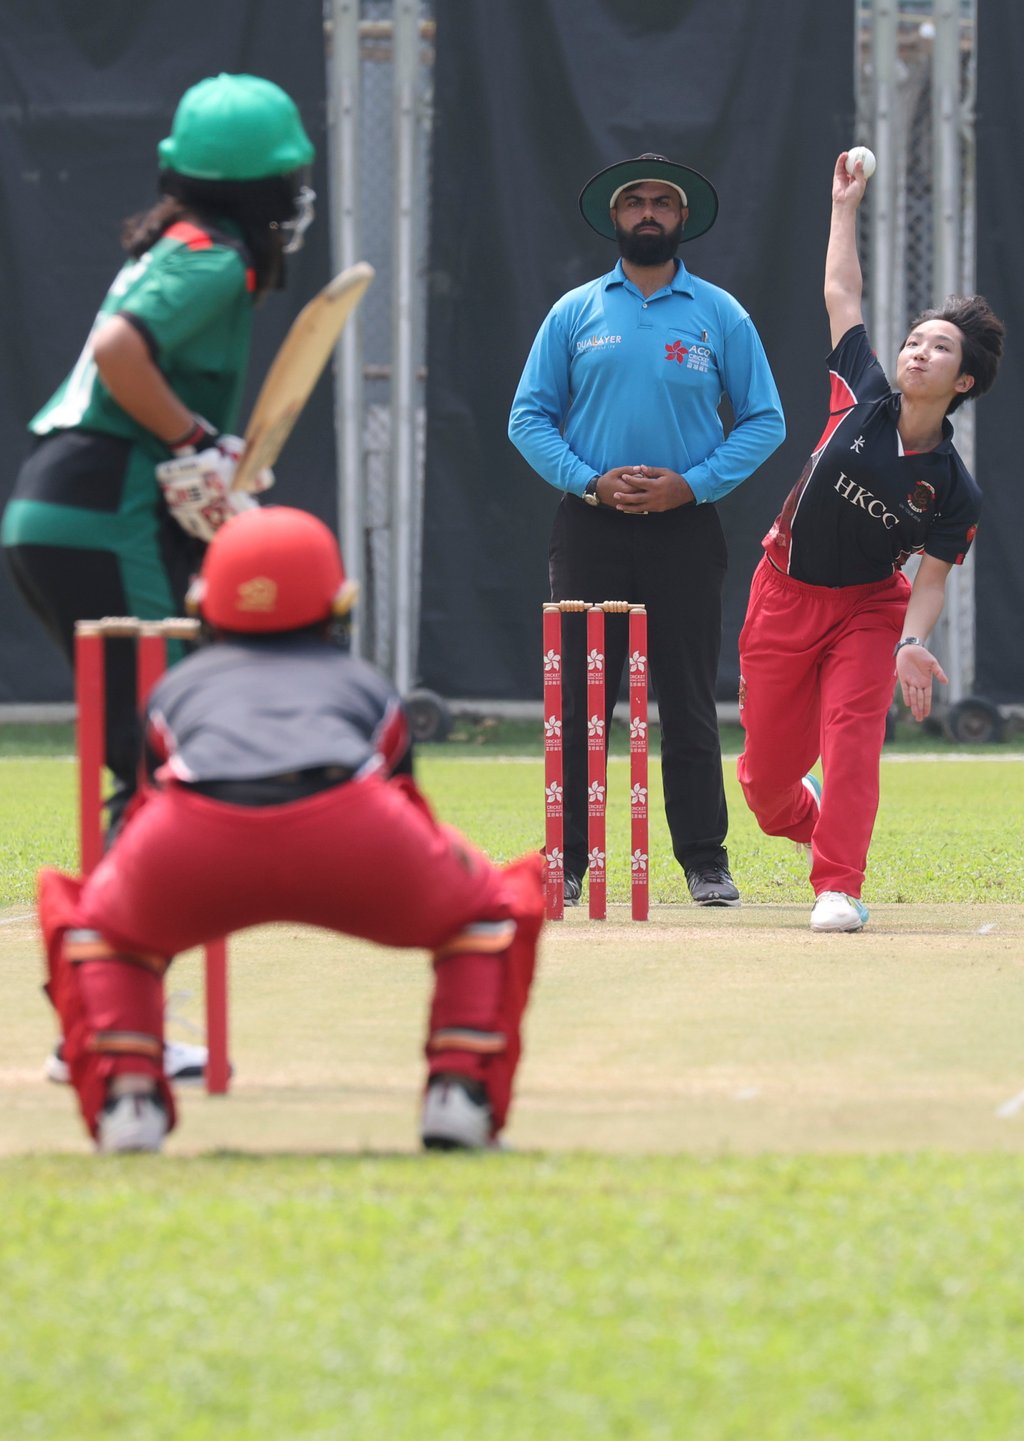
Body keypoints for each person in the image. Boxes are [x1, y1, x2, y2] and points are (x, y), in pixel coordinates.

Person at [36, 505, 546, 1154]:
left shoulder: (174, 687)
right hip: (352, 828)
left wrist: (129, 899)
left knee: (100, 928)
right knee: (490, 910)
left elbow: (147, 798)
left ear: (204, 603)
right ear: (339, 605)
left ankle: (128, 1096)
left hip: (193, 838)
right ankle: (459, 1092)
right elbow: (402, 794)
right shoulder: (367, 684)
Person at [3, 72, 315, 1085]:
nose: (298, 198)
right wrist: (194, 440)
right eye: (288, 180)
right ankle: (103, 1015)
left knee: (151, 764)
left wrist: (209, 458)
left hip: (70, 509)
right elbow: (118, 351)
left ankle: (97, 1013)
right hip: (105, 513)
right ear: (260, 192)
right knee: (169, 765)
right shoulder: (217, 260)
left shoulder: (176, 245)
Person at [736, 151, 1005, 933]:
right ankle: (806, 812)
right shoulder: (859, 391)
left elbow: (931, 578)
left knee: (852, 734)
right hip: (782, 592)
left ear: (964, 382)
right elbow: (841, 291)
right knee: (765, 784)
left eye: (939, 348)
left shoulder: (955, 490)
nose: (917, 350)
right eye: (916, 339)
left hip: (868, 608)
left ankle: (839, 885)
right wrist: (843, 205)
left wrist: (912, 642)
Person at [509, 153, 785, 908]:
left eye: (664, 201)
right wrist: (589, 480)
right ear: (615, 218)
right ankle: (565, 859)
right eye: (636, 202)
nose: (650, 212)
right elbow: (527, 416)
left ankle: (704, 859)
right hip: (590, 526)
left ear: (683, 218)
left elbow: (765, 420)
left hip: (686, 529)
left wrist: (689, 485)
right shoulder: (576, 311)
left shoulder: (719, 313)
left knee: (688, 697)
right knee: (579, 704)